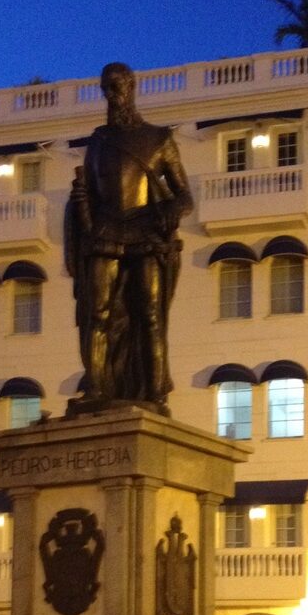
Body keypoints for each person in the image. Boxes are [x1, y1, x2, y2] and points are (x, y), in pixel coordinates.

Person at [65, 61, 193, 411]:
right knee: (98, 312)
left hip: (146, 230)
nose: (111, 95)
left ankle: (154, 391)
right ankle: (96, 387)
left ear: (131, 87)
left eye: (116, 87)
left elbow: (185, 196)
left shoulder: (160, 138)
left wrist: (169, 211)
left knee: (150, 314)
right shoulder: (98, 141)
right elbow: (88, 192)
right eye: (106, 89)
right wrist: (79, 207)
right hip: (105, 230)